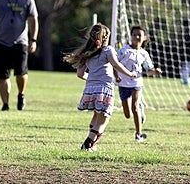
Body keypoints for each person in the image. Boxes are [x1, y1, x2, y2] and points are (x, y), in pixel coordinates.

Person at [63, 23, 136, 152]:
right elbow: (116, 64)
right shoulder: (108, 50)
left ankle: (92, 145)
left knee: (97, 116)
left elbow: (80, 74)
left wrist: (92, 79)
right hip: (104, 89)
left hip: (90, 89)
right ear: (105, 38)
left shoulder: (87, 53)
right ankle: (88, 142)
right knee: (105, 118)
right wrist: (130, 74)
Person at [115, 26, 162, 142]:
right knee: (128, 114)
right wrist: (116, 76)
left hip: (137, 83)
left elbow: (148, 70)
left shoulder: (144, 54)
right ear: (131, 36)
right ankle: (139, 110)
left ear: (144, 37)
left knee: (134, 106)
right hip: (123, 83)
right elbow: (114, 64)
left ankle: (139, 134)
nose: (137, 37)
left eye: (139, 35)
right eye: (134, 34)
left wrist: (155, 72)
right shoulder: (123, 51)